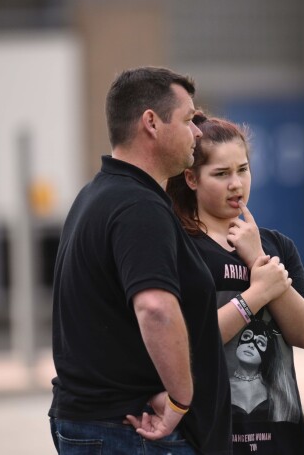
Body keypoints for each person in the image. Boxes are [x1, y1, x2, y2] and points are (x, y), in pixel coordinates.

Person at [48, 67, 231, 454]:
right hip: (132, 431)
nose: (198, 131)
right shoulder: (138, 206)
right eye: (188, 119)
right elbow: (155, 308)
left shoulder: (97, 194)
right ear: (151, 122)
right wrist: (181, 401)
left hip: (104, 425)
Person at [166, 113, 304, 454]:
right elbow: (188, 343)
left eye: (243, 169)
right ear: (191, 178)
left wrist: (256, 258)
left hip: (281, 437)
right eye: (221, 174)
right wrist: (257, 294)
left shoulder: (276, 245)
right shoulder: (181, 247)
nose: (236, 184)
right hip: (212, 436)